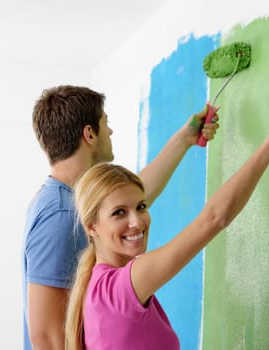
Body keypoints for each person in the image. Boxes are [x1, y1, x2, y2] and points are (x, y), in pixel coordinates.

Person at [64, 86, 269, 350]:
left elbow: (130, 193)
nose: (137, 221)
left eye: (142, 207)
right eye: (119, 213)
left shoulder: (97, 286)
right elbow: (215, 218)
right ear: (92, 226)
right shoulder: (121, 289)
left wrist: (184, 139)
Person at [22, 85, 219, 350]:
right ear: (89, 134)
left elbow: (135, 193)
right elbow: (46, 336)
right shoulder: (59, 216)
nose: (111, 131)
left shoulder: (70, 199)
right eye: (106, 123)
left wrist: (184, 139)